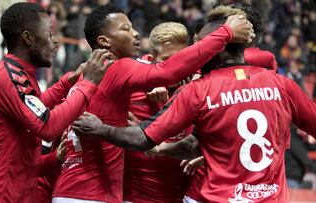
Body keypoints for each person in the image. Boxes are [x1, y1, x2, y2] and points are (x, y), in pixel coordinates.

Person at [73, 5, 316, 203]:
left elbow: (141, 137)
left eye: (200, 44)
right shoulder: (281, 85)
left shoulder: (198, 89)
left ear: (216, 47)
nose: (195, 53)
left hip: (211, 197)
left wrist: (100, 129)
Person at [52, 3, 254, 203]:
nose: (136, 33)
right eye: (126, 28)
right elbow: (168, 71)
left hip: (80, 189)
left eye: (132, 26)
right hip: (95, 193)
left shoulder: (91, 74)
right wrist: (225, 33)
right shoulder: (121, 69)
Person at [0, 2, 112, 202]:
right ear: (28, 38)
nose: (55, 41)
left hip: (9, 192)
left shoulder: (16, 72)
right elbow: (47, 125)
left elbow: (38, 106)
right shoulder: (8, 76)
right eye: (50, 34)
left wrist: (68, 81)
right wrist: (88, 84)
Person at [124, 22, 193, 203]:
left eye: (180, 59)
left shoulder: (197, 83)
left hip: (182, 195)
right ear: (151, 57)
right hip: (136, 196)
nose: (175, 67)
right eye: (167, 60)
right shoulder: (132, 84)